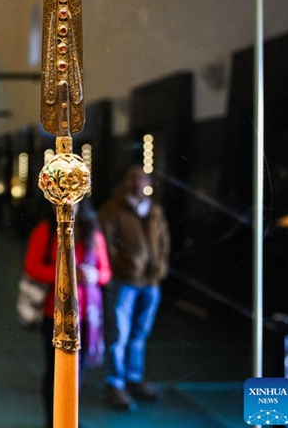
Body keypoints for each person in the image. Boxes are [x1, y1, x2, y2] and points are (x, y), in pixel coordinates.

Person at [23, 199, 112, 425]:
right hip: (54, 314)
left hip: (85, 315)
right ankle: (52, 420)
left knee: (78, 372)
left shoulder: (93, 232)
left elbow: (105, 272)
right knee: (55, 370)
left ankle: (69, 418)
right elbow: (32, 267)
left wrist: (93, 276)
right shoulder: (45, 231)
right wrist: (66, 274)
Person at [99, 166, 170, 410]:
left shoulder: (154, 210)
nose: (139, 182)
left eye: (143, 178)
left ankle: (133, 378)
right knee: (118, 333)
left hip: (150, 282)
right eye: (134, 178)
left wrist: (159, 267)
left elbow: (163, 242)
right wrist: (121, 266)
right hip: (124, 281)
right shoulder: (112, 209)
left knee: (139, 334)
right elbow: (105, 244)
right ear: (126, 182)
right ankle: (115, 383)